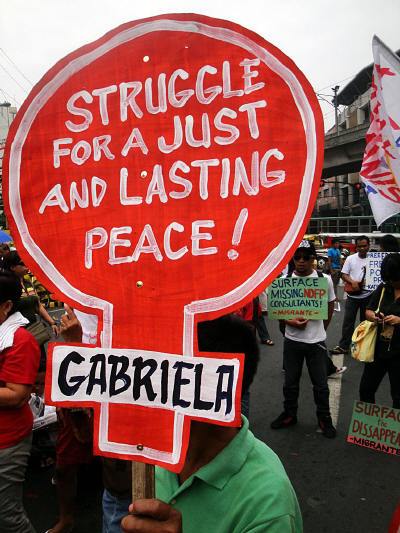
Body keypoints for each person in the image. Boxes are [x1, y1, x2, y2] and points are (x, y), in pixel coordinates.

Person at [102, 313, 301, 533]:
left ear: (206, 390)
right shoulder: (158, 454)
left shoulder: (268, 505)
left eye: (165, 370)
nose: (149, 384)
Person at [270, 241, 337, 438]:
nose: (301, 261)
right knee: (290, 383)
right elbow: (278, 311)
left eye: (305, 257)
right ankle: (290, 414)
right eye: (297, 257)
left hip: (315, 343)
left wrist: (321, 329)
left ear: (312, 259)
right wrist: (290, 321)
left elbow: (330, 305)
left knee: (321, 385)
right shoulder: (285, 279)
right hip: (292, 341)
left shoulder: (324, 280)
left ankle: (324, 418)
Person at [45, 306, 94, 533]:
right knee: (65, 464)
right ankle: (67, 519)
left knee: (115, 466)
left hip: (108, 380)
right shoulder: (73, 298)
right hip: (78, 381)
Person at [0, 272, 40, 532]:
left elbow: (16, 395)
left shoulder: (21, 340)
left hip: (7, 441)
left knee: (6, 514)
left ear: (6, 306)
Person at [359, 253, 400, 408]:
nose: (392, 283)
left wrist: (398, 320)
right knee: (366, 389)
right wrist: (375, 317)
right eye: (389, 279)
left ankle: (395, 430)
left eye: (395, 279)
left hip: (398, 353)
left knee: (398, 395)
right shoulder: (383, 288)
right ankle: (369, 426)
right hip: (378, 349)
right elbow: (368, 311)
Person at [2, 251, 60, 336]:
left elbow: (38, 305)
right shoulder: (6, 286)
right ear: (12, 267)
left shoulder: (28, 283)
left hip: (35, 330)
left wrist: (52, 323)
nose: (27, 266)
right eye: (23, 263)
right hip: (15, 335)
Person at [331, 235, 372, 355]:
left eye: (364, 246)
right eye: (359, 246)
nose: (362, 248)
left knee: (365, 324)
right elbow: (344, 274)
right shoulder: (350, 258)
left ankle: (363, 347)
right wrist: (352, 282)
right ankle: (344, 346)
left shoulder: (374, 259)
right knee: (348, 323)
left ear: (368, 246)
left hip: (369, 297)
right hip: (352, 297)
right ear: (356, 247)